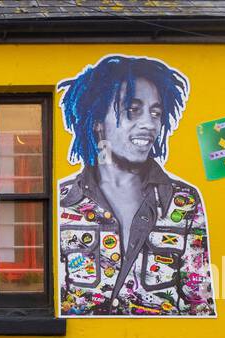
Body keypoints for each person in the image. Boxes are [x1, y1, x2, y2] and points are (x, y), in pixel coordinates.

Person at [56, 55, 214, 317]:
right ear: (97, 122)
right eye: (132, 110)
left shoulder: (183, 201)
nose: (149, 124)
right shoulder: (64, 200)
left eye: (156, 113)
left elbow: (199, 301)